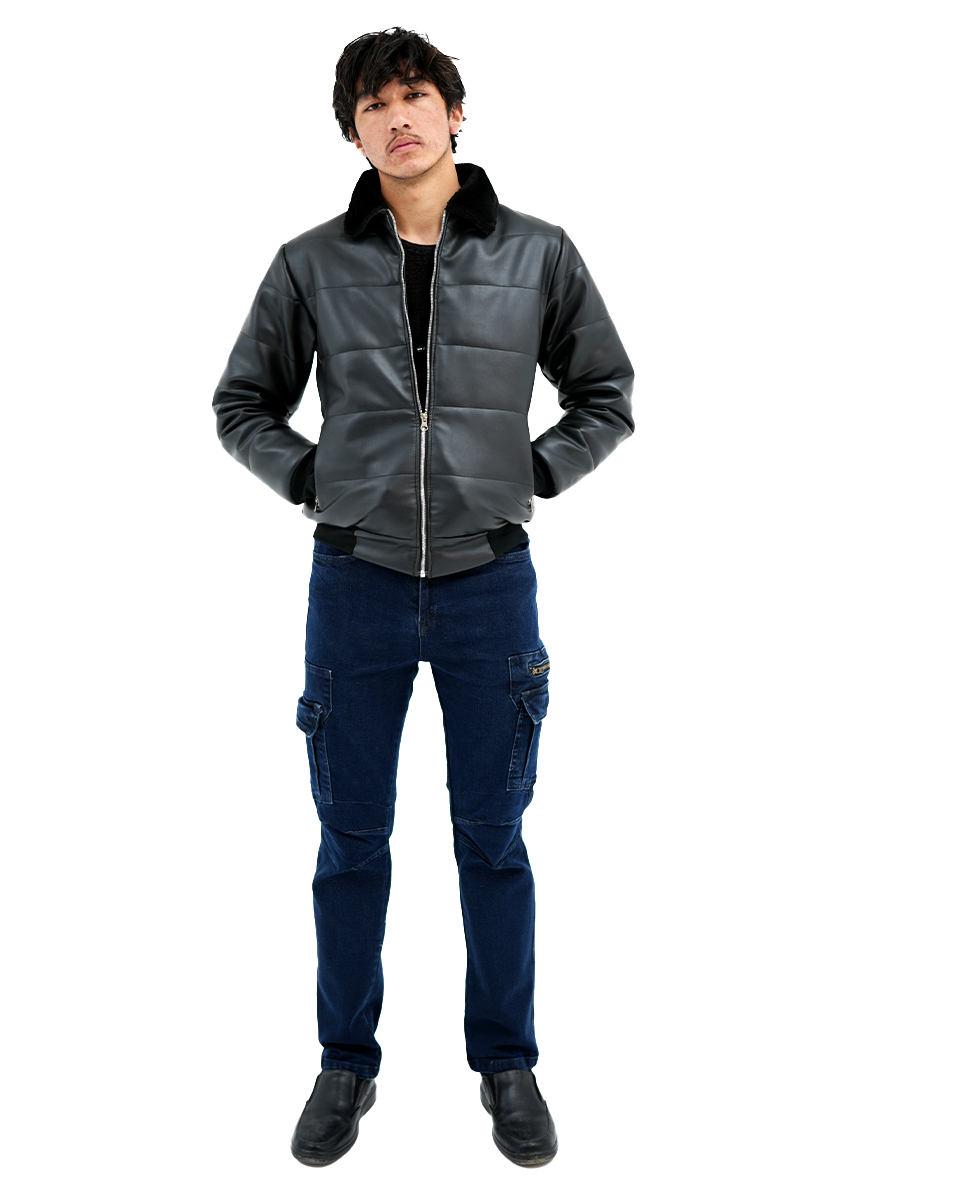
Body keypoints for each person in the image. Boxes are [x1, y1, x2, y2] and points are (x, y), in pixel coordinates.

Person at [212, 27, 634, 1168]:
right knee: (351, 838)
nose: (397, 117)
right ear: (352, 134)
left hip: (491, 581)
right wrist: (316, 481)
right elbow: (242, 403)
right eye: (373, 105)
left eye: (415, 95)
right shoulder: (308, 264)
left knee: (493, 836)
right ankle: (344, 1062)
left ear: (455, 111)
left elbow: (605, 391)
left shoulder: (538, 253)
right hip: (356, 580)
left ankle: (508, 1064)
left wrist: (529, 473)